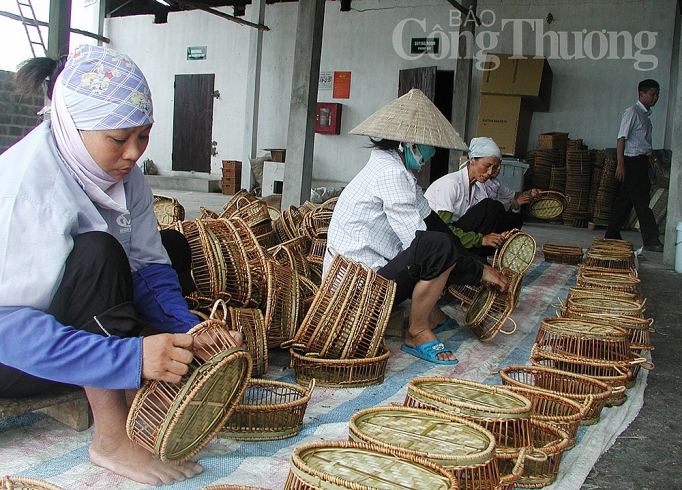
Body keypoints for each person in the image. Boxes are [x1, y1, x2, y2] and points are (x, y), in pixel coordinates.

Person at [0, 45, 239, 486]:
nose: (133, 153)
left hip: (62, 340)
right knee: (98, 252)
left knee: (171, 245)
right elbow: (7, 331)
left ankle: (130, 366)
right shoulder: (26, 192)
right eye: (118, 139)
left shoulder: (127, 177)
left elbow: (148, 263)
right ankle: (110, 439)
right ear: (72, 127)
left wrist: (190, 329)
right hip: (14, 359)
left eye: (143, 136)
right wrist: (127, 357)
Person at [324, 89, 508, 365]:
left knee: (442, 241)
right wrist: (477, 270)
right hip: (357, 287)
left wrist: (475, 263)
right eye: (425, 145)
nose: (430, 152)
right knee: (436, 248)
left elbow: (431, 220)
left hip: (371, 271)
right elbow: (419, 241)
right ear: (406, 144)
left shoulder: (395, 170)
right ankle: (417, 331)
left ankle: (430, 314)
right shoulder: (391, 173)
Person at [424, 137, 520, 257]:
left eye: (494, 168)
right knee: (490, 206)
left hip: (454, 233)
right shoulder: (451, 184)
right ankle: (469, 257)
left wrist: (499, 235)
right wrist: (481, 240)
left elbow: (483, 222)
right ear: (472, 160)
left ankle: (476, 255)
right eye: (487, 165)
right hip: (435, 237)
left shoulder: (476, 189)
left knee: (505, 214)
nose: (490, 172)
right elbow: (442, 228)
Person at [605, 79, 664, 252]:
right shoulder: (632, 112)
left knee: (625, 200)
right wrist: (621, 164)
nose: (656, 98)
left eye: (657, 94)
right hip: (632, 162)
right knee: (642, 201)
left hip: (641, 161)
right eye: (652, 94)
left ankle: (612, 234)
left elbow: (643, 142)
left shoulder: (645, 115)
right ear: (642, 94)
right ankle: (651, 240)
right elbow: (621, 138)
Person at [482, 163, 541, 230]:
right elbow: (490, 211)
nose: (499, 168)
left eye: (499, 164)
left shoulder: (494, 183)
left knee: (515, 218)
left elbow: (512, 195)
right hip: (483, 221)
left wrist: (530, 193)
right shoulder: (479, 185)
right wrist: (514, 203)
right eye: (494, 165)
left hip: (492, 216)